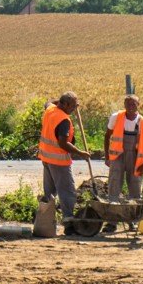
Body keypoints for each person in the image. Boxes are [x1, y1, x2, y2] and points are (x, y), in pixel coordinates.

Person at [38, 92, 94, 229]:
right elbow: (63, 143)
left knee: (49, 193)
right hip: (59, 161)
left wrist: (64, 101)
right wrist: (80, 153)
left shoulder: (50, 109)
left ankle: (45, 222)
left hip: (46, 158)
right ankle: (68, 222)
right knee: (67, 192)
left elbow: (49, 101)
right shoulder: (63, 120)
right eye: (73, 106)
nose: (74, 109)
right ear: (64, 104)